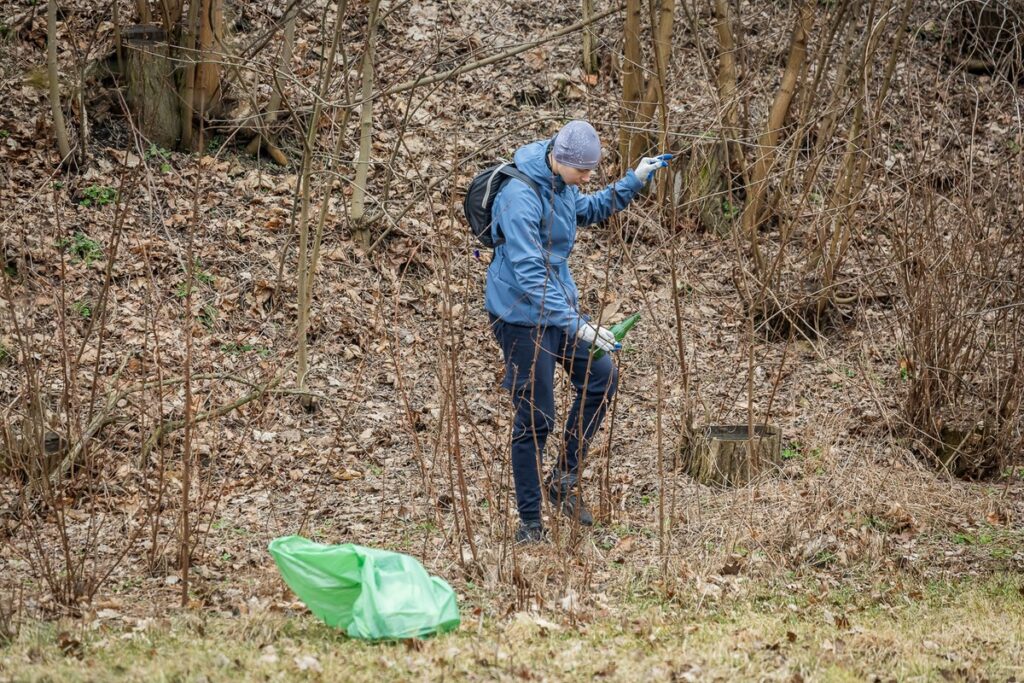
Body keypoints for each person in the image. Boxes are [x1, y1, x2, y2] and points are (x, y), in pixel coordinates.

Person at [484, 120, 671, 543]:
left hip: (557, 313)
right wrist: (581, 326)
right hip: (518, 316)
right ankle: (530, 524)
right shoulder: (519, 197)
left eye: (591, 171)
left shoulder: (562, 185)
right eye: (583, 171)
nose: (588, 178)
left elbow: (586, 210)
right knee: (537, 417)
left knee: (602, 378)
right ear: (559, 159)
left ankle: (563, 478)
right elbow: (530, 274)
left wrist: (633, 181)